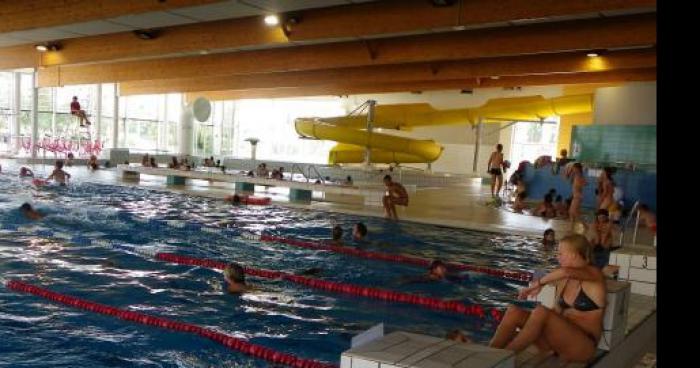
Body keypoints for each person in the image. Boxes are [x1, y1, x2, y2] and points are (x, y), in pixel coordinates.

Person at [489, 234, 606, 362]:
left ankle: (502, 360)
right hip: (557, 343)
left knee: (541, 311)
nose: (557, 257)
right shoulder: (564, 279)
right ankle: (488, 356)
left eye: (561, 253)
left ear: (574, 254)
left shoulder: (595, 274)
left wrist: (539, 284)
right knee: (513, 312)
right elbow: (555, 311)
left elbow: (565, 272)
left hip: (582, 347)